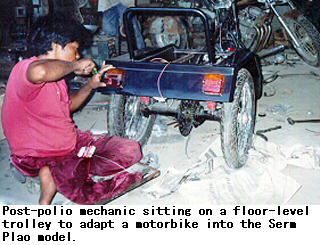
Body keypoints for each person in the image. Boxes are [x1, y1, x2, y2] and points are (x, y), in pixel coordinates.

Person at [1, 13, 143, 205]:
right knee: (88, 186)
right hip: (38, 154)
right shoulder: (25, 68)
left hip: (70, 144)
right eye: (75, 49)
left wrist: (90, 86)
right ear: (56, 46)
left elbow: (67, 107)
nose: (78, 55)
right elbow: (40, 71)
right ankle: (55, 172)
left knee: (131, 149)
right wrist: (75, 65)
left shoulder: (57, 77)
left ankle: (57, 173)